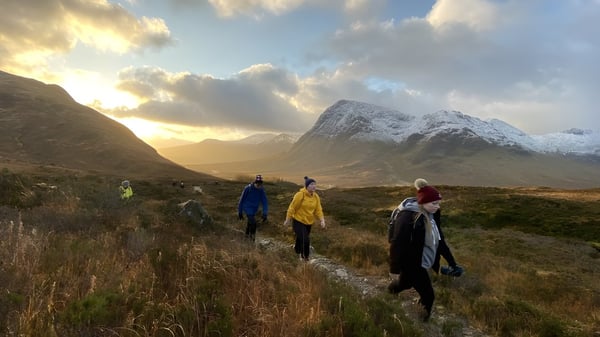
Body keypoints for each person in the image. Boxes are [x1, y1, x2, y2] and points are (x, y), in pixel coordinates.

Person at [388, 178, 463, 321]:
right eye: (434, 203)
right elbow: (397, 243)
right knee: (429, 295)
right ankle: (422, 321)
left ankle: (389, 292)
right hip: (411, 261)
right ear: (423, 202)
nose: (437, 206)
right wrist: (394, 269)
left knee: (406, 283)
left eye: (439, 203)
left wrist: (452, 263)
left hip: (421, 259)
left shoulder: (433, 214)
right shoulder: (408, 216)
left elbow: (439, 241)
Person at [284, 176, 326, 261]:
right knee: (305, 240)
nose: (314, 186)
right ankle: (305, 258)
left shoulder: (316, 197)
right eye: (311, 184)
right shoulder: (300, 195)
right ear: (307, 186)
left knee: (301, 238)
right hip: (298, 221)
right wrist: (287, 219)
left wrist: (322, 220)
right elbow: (292, 208)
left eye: (315, 184)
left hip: (309, 222)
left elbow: (318, 209)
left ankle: (296, 252)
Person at [237, 174, 269, 241]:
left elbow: (265, 202)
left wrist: (265, 213)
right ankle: (252, 241)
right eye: (258, 185)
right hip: (247, 208)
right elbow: (241, 200)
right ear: (255, 183)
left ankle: (246, 238)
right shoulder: (247, 188)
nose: (259, 186)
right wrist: (240, 212)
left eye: (260, 185)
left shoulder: (261, 190)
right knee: (253, 224)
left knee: (249, 224)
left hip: (254, 209)